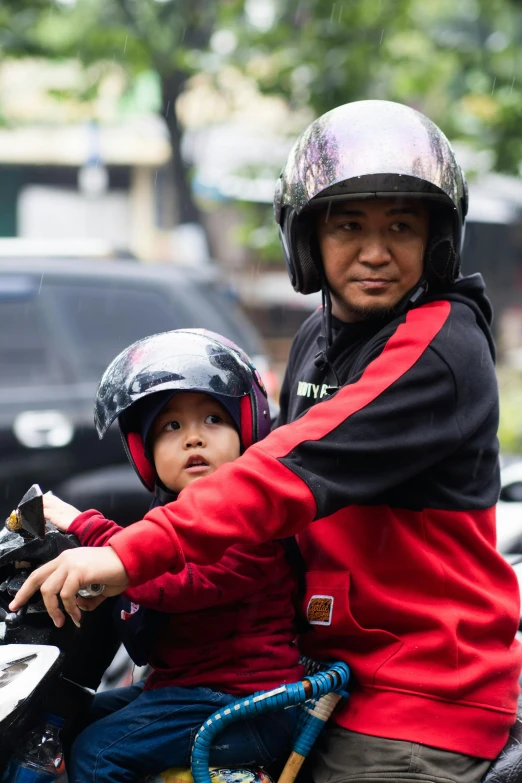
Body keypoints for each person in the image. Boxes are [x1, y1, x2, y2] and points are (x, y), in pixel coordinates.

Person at [12, 100, 522, 783]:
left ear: (436, 240)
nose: (375, 251)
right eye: (349, 226)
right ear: (308, 238)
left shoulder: (441, 342)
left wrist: (129, 554)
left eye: (401, 225)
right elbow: (257, 507)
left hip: (416, 692)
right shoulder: (317, 339)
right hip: (317, 678)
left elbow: (280, 473)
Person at [40, 328, 303, 782]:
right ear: (145, 453)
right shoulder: (169, 517)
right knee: (64, 718)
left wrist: (89, 529)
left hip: (247, 705)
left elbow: (172, 584)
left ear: (248, 429)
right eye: (171, 426)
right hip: (184, 690)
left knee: (98, 755)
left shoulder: (252, 523)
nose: (193, 439)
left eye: (213, 420)